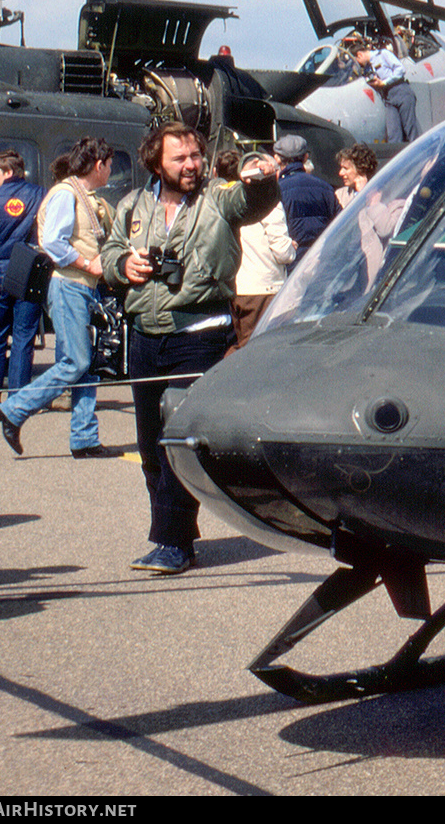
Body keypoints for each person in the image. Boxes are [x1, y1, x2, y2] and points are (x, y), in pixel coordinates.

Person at [101, 122, 280, 575]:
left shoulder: (218, 198)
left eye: (196, 156)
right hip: (145, 335)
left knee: (175, 441)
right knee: (148, 445)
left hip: (198, 333)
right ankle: (175, 534)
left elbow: (253, 200)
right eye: (179, 158)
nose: (191, 165)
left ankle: (170, 541)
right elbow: (109, 256)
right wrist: (125, 263)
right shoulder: (133, 205)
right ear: (155, 161)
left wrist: (261, 175)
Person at [0, 139, 116, 458]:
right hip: (69, 286)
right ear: (98, 164)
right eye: (110, 164)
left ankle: (84, 438)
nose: (111, 171)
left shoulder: (82, 195)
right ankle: (15, 409)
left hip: (82, 287)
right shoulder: (66, 194)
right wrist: (89, 263)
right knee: (76, 361)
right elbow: (54, 242)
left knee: (85, 364)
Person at [214, 150, 294, 350]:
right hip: (263, 288)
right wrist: (292, 249)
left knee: (240, 345)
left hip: (234, 288)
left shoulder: (220, 200)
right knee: (258, 350)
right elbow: (281, 251)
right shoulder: (267, 201)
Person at [0, 152, 44, 417]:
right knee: (23, 336)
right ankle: (18, 400)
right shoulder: (40, 194)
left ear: (8, 173)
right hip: (29, 270)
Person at [274, 134, 340, 258]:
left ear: (277, 159)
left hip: (292, 265)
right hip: (321, 261)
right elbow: (340, 225)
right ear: (306, 157)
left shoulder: (276, 191)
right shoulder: (325, 188)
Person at [354, 43, 420, 142]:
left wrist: (384, 82)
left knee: (410, 129)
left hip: (401, 92)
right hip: (388, 99)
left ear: (359, 55)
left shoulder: (383, 54)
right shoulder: (367, 68)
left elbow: (400, 69)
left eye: (358, 61)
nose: (359, 64)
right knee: (393, 134)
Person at [335, 143, 378, 209]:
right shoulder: (339, 195)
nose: (340, 173)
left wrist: (362, 194)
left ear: (361, 170)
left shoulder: (378, 195)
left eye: (346, 168)